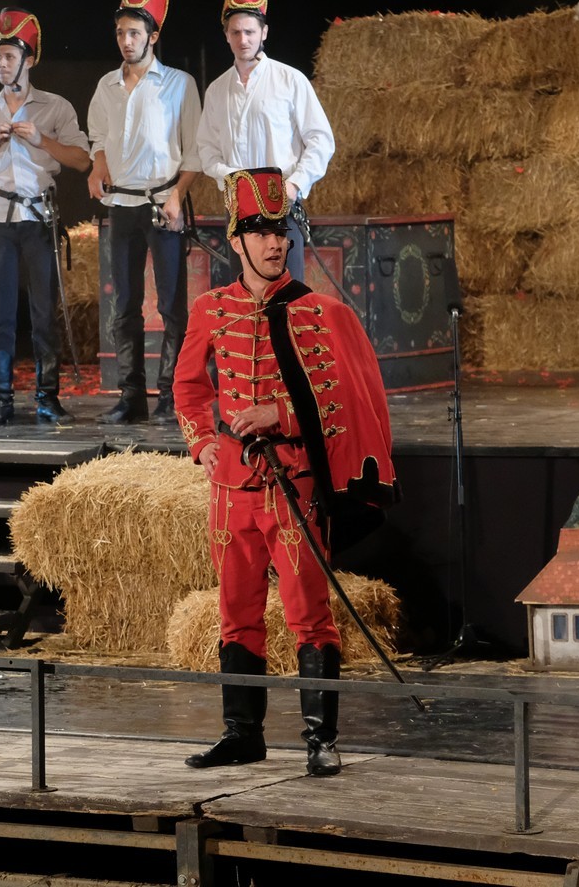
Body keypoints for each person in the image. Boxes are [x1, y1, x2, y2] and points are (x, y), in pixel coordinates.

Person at [174, 167, 397, 777]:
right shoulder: (210, 309)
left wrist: (282, 414)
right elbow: (189, 387)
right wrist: (202, 445)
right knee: (236, 612)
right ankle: (241, 734)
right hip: (230, 490)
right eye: (261, 233)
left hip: (292, 484)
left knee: (308, 613)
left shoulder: (320, 311)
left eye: (281, 232)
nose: (275, 244)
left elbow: (348, 398)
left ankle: (321, 738)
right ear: (236, 240)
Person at [0, 7, 90, 426]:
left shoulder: (54, 106)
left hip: (38, 218)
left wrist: (41, 139)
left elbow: (82, 160)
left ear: (28, 60)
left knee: (42, 310)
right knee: (1, 314)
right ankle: (1, 398)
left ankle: (47, 397)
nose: (2, 64)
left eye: (10, 56)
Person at [87, 0, 201, 425]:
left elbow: (194, 150)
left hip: (161, 204)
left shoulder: (178, 84)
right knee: (125, 305)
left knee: (171, 305)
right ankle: (131, 396)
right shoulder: (107, 86)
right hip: (122, 206)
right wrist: (97, 165)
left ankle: (172, 394)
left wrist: (178, 195)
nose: (126, 41)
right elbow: (98, 136)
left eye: (134, 33)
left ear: (153, 36)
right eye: (121, 33)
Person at [197, 0, 335, 283]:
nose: (243, 39)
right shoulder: (217, 90)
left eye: (250, 31)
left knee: (285, 296)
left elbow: (321, 140)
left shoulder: (290, 80)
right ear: (226, 35)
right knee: (245, 295)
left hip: (281, 207)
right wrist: (233, 181)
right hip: (238, 211)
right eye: (236, 32)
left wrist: (295, 185)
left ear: (264, 33)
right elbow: (206, 149)